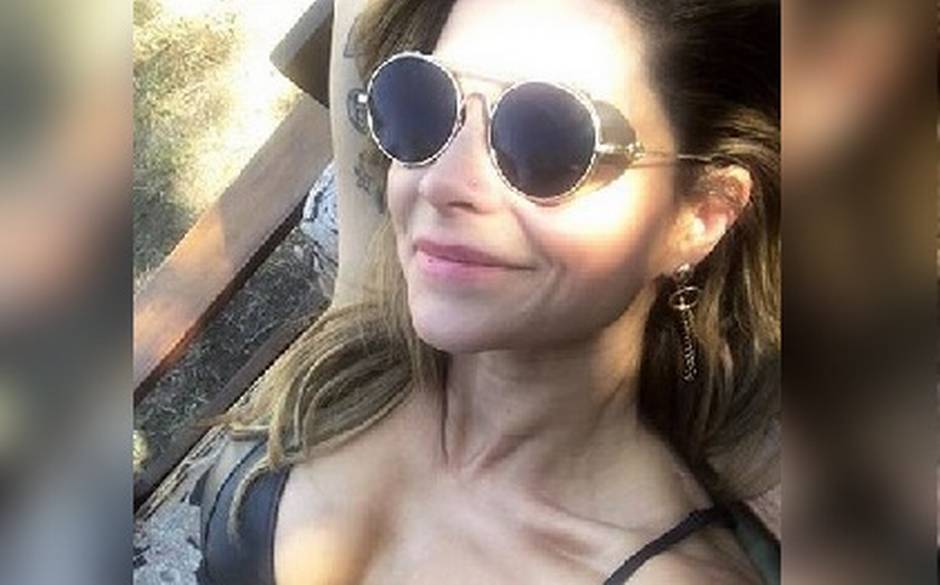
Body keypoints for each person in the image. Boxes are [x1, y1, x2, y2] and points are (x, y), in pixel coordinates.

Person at [197, 0, 781, 583]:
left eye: (549, 141)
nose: (442, 182)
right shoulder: (366, 351)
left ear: (701, 215)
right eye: (421, 103)